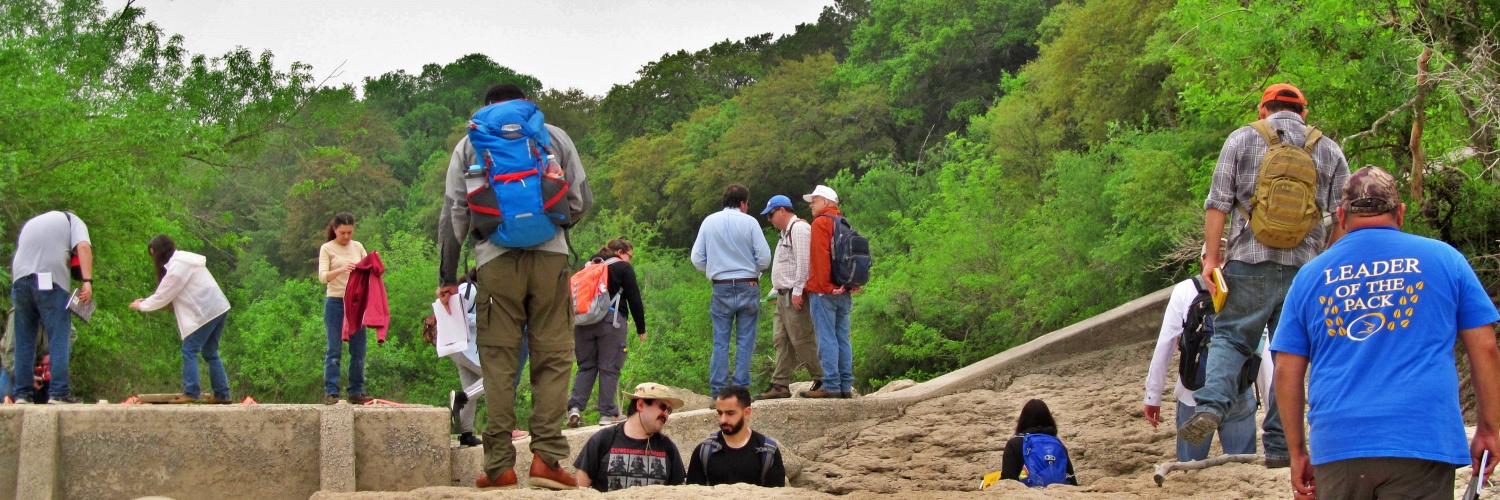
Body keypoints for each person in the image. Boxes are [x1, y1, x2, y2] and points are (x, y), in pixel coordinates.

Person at [1272, 166, 1500, 499]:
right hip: (1421, 438)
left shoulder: (1310, 276)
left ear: (1341, 216)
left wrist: (1297, 452)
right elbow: (1486, 349)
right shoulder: (1445, 259)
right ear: (1401, 213)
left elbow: (1286, 370)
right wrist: (1490, 428)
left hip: (1339, 443)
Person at [1181, 84, 1352, 467]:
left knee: (1231, 336)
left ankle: (1211, 405)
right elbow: (1345, 214)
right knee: (1291, 354)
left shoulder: (1242, 138)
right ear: (1304, 113)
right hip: (1305, 271)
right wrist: (1326, 259)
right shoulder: (1328, 149)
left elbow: (1218, 202)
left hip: (1248, 261)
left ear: (1263, 110)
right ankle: (1278, 443)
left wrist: (1211, 259)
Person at [437, 83, 591, 489]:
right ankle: (547, 461)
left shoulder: (470, 143)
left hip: (494, 259)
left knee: (499, 363)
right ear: (523, 103)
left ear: (486, 108)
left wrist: (447, 279)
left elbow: (454, 215)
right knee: (554, 357)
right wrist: (551, 226)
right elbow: (580, 199)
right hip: (551, 259)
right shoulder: (553, 135)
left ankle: (500, 467)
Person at [1143, 275, 1269, 461]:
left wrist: (1153, 395)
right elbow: (1263, 349)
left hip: (1193, 395)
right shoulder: (1250, 287)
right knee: (1242, 466)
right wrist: (1271, 407)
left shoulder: (1185, 290)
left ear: (1204, 260)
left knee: (1188, 471)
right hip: (1238, 390)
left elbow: (1166, 343)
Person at [425, 268, 530, 447]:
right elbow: (460, 316)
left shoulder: (466, 287)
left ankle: (466, 435)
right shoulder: (470, 288)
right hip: (462, 347)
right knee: (497, 378)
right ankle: (461, 397)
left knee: (472, 384)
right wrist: (489, 318)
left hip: (459, 347)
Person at [128, 235, 233, 404]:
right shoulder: (184, 259)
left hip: (206, 311)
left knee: (189, 350)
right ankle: (222, 394)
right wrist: (146, 300)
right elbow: (166, 292)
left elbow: (163, 295)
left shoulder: (177, 268)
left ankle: (191, 392)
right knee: (210, 352)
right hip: (218, 307)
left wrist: (142, 306)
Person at [690, 184, 772, 396]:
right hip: (748, 284)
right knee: (745, 340)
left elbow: (696, 258)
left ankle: (718, 392)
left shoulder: (709, 222)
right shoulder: (750, 222)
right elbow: (764, 258)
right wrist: (752, 268)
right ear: (743, 203)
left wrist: (714, 269)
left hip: (721, 287)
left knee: (721, 340)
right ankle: (740, 389)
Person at [10, 210, 92, 404]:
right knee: (59, 336)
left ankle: (22, 394)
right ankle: (59, 393)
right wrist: (87, 281)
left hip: (19, 281)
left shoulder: (33, 222)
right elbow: (83, 247)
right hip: (48, 280)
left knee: (23, 340)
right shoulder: (74, 220)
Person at [569, 238, 646, 428]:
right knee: (609, 367)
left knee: (586, 366)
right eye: (629, 256)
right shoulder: (623, 268)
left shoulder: (589, 266)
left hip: (583, 322)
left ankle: (575, 408)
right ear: (620, 253)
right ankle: (607, 414)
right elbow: (634, 298)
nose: (630, 260)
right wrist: (641, 328)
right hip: (610, 322)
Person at [758, 195, 823, 400]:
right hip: (782, 295)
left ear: (782, 210)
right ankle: (780, 384)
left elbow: (805, 262)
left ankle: (824, 379)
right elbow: (785, 266)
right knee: (781, 339)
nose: (769, 219)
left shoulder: (800, 229)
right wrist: (774, 291)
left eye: (771, 214)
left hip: (795, 295)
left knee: (802, 339)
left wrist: (797, 291)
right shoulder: (785, 233)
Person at [573, 383, 687, 491]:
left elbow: (678, 492)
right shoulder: (603, 440)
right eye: (662, 407)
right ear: (640, 405)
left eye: (669, 410)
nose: (666, 414)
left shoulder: (668, 447)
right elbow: (579, 490)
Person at [800, 185, 855, 399]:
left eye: (814, 201)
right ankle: (845, 385)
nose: (811, 205)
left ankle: (831, 384)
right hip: (845, 290)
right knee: (843, 337)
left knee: (827, 338)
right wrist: (848, 285)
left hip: (826, 292)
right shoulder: (845, 223)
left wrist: (824, 287)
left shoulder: (821, 223)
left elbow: (819, 259)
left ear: (825, 201)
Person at [318, 212, 372, 405]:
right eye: (343, 233)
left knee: (359, 349)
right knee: (334, 348)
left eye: (349, 232)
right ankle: (331, 391)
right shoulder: (327, 248)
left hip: (356, 304)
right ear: (335, 230)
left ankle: (356, 390)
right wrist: (342, 269)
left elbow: (368, 268)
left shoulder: (357, 247)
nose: (346, 237)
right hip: (336, 301)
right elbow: (323, 276)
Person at [687, 385, 787, 487]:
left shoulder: (768, 452)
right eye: (720, 413)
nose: (723, 420)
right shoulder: (704, 451)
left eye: (730, 413)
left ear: (747, 412)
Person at [1000, 399, 1078, 486]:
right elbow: (1072, 481)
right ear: (1049, 419)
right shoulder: (1057, 444)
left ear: (1022, 420)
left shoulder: (1014, 444)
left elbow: (1008, 480)